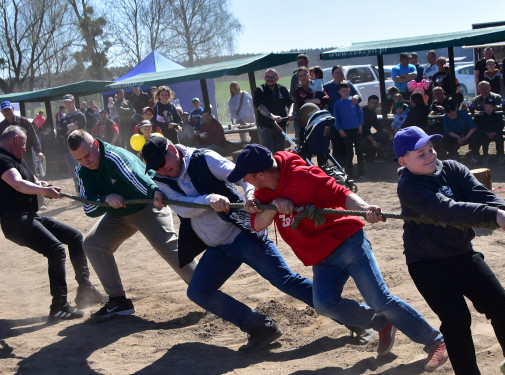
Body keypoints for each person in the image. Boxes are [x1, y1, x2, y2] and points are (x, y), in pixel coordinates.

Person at [144, 136, 376, 351]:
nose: (162, 168)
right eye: (156, 166)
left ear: (173, 150)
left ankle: (357, 319)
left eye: (163, 161)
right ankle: (259, 326)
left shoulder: (203, 158)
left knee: (285, 280)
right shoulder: (161, 179)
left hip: (242, 233)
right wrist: (208, 199)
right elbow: (182, 208)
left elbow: (241, 175)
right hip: (217, 246)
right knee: (198, 291)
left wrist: (251, 196)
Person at [231, 144, 449, 371]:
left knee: (380, 300)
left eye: (246, 177)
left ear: (261, 174)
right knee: (324, 304)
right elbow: (257, 225)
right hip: (321, 257)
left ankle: (435, 340)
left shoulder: (303, 175)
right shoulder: (264, 191)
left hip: (348, 243)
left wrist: (365, 208)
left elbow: (340, 193)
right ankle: (382, 323)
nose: (245, 183)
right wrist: (274, 207)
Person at [394, 127, 505, 375]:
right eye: (420, 154)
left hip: (462, 254)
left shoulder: (452, 168)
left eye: (431, 150)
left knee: (500, 304)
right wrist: (493, 215)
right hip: (426, 263)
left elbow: (480, 194)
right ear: (403, 161)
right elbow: (447, 209)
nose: (430, 156)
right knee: (456, 319)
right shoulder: (409, 187)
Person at [67, 129, 195, 320]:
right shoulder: (81, 171)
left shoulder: (113, 156)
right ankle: (118, 301)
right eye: (79, 159)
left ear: (95, 145)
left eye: (87, 155)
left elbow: (138, 179)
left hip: (147, 204)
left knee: (166, 246)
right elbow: (89, 208)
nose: (86, 162)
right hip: (118, 215)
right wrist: (106, 198)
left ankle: (203, 287)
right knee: (93, 244)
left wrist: (154, 193)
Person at [0, 126, 100, 321]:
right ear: (15, 140)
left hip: (30, 216)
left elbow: (33, 182)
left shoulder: (17, 160)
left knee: (74, 236)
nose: (24, 148)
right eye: (23, 144)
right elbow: (17, 184)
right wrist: (45, 192)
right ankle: (59, 306)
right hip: (14, 220)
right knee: (56, 250)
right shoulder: (0, 160)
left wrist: (45, 187)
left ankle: (85, 289)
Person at [0, 100, 43, 174]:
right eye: (4, 110)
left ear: (13, 109)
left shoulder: (24, 121)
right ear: (1, 112)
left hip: (26, 155)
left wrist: (39, 151)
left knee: (30, 176)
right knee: (15, 179)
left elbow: (33, 137)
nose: (7, 112)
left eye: (8, 109)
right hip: (9, 158)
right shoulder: (0, 127)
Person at [252, 69, 293, 153]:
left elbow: (290, 103)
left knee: (280, 153)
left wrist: (290, 113)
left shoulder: (282, 89)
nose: (270, 79)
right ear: (264, 78)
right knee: (267, 153)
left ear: (277, 78)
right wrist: (272, 116)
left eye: (272, 77)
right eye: (267, 77)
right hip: (265, 127)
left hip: (281, 127)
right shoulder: (259, 90)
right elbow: (260, 106)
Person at [56, 94, 87, 183]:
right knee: (74, 175)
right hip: (68, 150)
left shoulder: (80, 115)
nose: (67, 105)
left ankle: (87, 193)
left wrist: (75, 128)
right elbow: (59, 131)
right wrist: (68, 127)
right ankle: (79, 193)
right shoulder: (63, 118)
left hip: (80, 149)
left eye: (69, 103)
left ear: (74, 103)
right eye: (65, 103)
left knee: (83, 173)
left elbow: (83, 131)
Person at [474, 97, 505, 165]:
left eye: (490, 107)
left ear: (494, 108)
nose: (488, 109)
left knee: (500, 140)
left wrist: (495, 132)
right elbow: (481, 126)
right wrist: (486, 133)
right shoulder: (482, 116)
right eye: (486, 107)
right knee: (484, 142)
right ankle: (485, 156)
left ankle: (501, 155)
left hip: (496, 133)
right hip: (486, 134)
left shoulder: (498, 116)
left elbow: (500, 125)